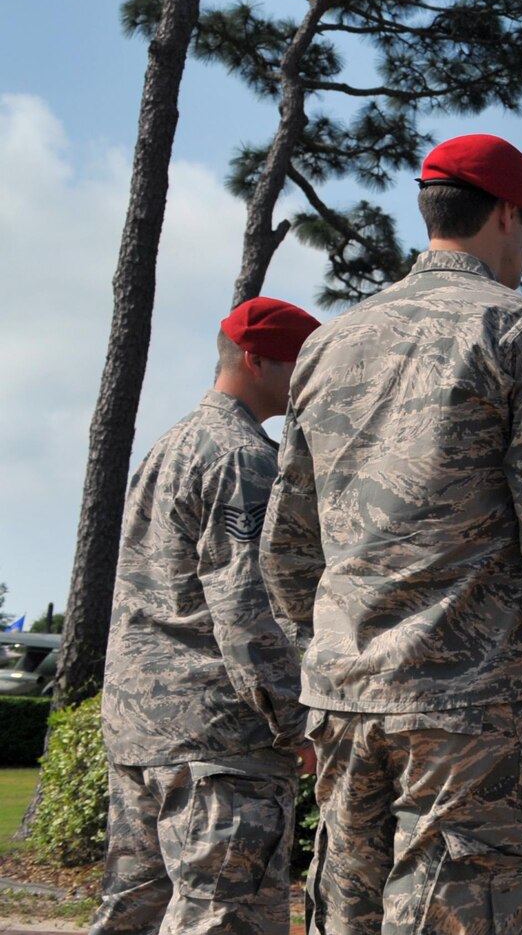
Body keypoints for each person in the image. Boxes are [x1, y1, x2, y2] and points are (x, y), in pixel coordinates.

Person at [263, 133, 522, 935]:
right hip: (472, 702)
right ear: (510, 214)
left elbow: (287, 543)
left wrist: (322, 666)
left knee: (344, 916)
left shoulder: (327, 343)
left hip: (347, 693)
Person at [91, 296, 321, 935]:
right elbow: (249, 608)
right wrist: (297, 723)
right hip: (220, 740)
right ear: (255, 359)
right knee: (223, 917)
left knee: (132, 914)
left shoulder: (171, 446)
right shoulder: (243, 457)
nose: (307, 380)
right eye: (299, 364)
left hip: (145, 726)